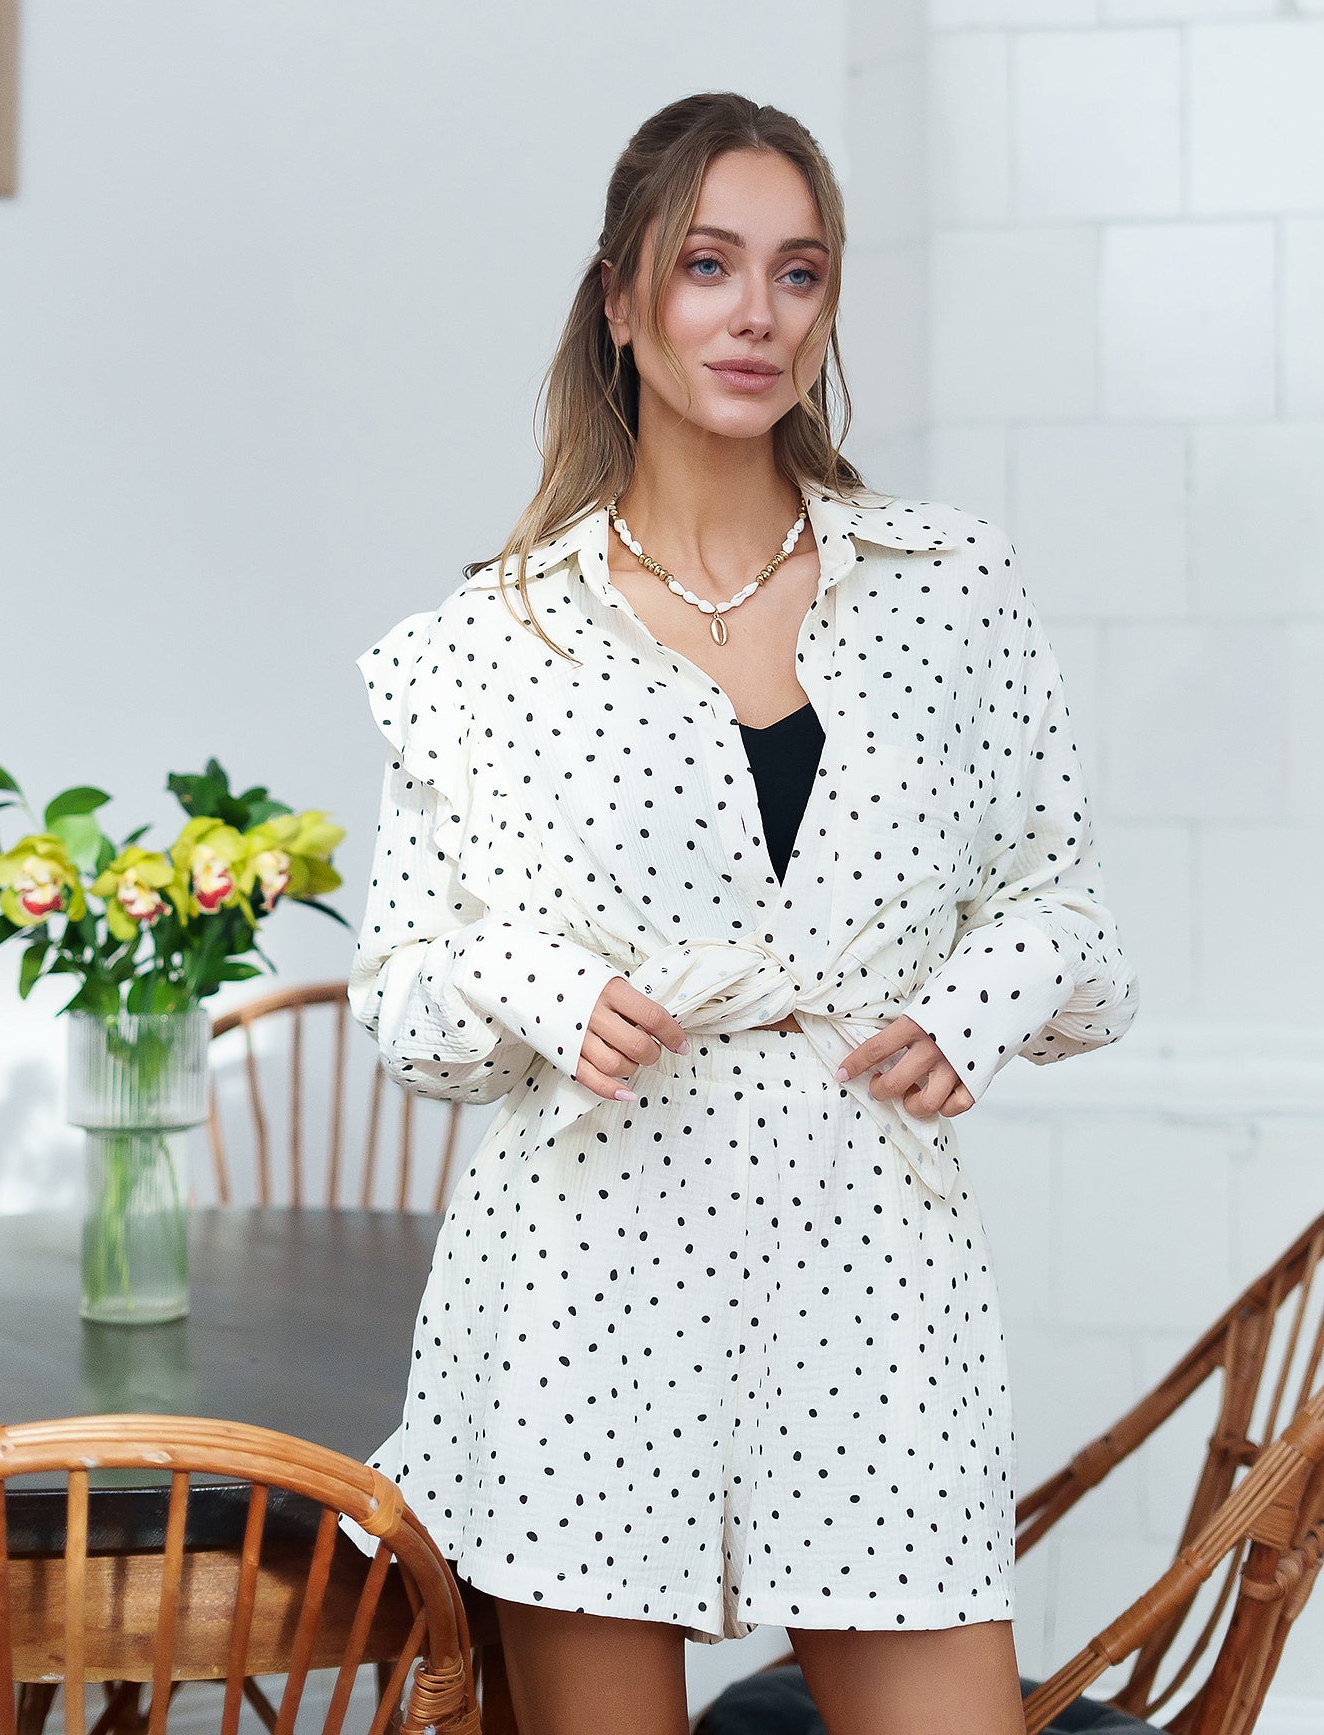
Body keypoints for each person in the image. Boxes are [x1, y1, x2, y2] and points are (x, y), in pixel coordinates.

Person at [348, 92, 1139, 1735]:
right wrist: (544, 988)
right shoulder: (488, 646)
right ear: (621, 301)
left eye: (799, 270)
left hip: (871, 1266)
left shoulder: (949, 590)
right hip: (585, 1278)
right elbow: (405, 993)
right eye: (707, 265)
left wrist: (972, 1006)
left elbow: (1063, 903)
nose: (756, 312)